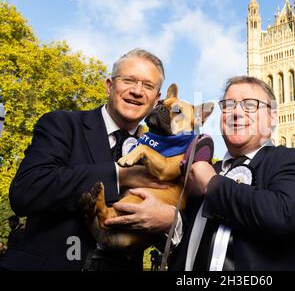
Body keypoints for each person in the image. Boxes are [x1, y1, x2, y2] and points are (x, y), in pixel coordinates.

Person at [0, 49, 177, 271]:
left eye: (148, 86)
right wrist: (119, 175)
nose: (137, 91)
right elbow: (26, 191)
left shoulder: (160, 155)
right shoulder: (61, 124)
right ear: (109, 85)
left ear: (157, 99)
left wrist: (170, 221)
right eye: (129, 80)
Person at [169, 76, 295, 271]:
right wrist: (168, 222)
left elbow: (282, 216)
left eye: (250, 105)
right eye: (229, 105)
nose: (237, 113)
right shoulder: (201, 172)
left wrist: (212, 185)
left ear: (272, 117)